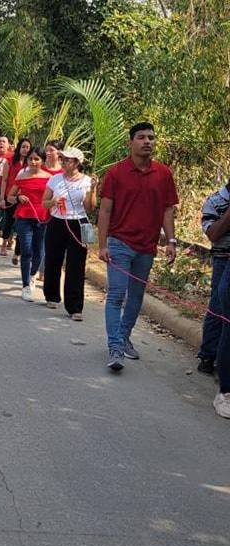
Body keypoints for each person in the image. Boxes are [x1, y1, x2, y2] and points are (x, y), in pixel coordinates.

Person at [98, 122, 178, 371]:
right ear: (130, 142)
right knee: (116, 295)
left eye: (151, 138)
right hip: (120, 243)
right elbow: (105, 210)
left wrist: (171, 241)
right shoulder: (116, 173)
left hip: (147, 246)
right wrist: (102, 245)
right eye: (141, 137)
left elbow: (168, 209)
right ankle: (115, 346)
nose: (147, 142)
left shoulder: (163, 173)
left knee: (136, 297)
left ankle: (123, 337)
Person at [41, 147, 97, 320]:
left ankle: (75, 307)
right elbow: (44, 203)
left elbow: (89, 208)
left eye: (68, 160)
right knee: (53, 260)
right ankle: (51, 295)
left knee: (76, 265)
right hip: (57, 222)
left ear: (77, 163)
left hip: (78, 223)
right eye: (63, 159)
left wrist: (93, 190)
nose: (64, 162)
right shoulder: (55, 179)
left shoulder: (87, 181)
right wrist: (53, 201)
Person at [200, 180, 230, 417]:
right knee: (219, 310)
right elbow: (213, 234)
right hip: (223, 259)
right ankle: (208, 356)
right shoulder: (215, 201)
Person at [7, 147, 51, 302]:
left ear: (43, 161)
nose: (33, 161)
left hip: (43, 218)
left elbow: (53, 198)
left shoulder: (49, 178)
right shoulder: (21, 176)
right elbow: (10, 196)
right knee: (26, 250)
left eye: (37, 159)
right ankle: (25, 285)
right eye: (31, 158)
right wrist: (18, 198)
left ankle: (32, 275)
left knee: (39, 252)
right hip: (24, 217)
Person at [0, 138, 31, 258]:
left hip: (24, 198)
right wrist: (3, 197)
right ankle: (3, 244)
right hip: (11, 196)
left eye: (27, 147)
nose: (25, 149)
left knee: (21, 225)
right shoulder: (10, 161)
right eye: (23, 147)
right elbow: (4, 180)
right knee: (9, 221)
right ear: (19, 148)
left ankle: (17, 252)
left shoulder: (31, 164)